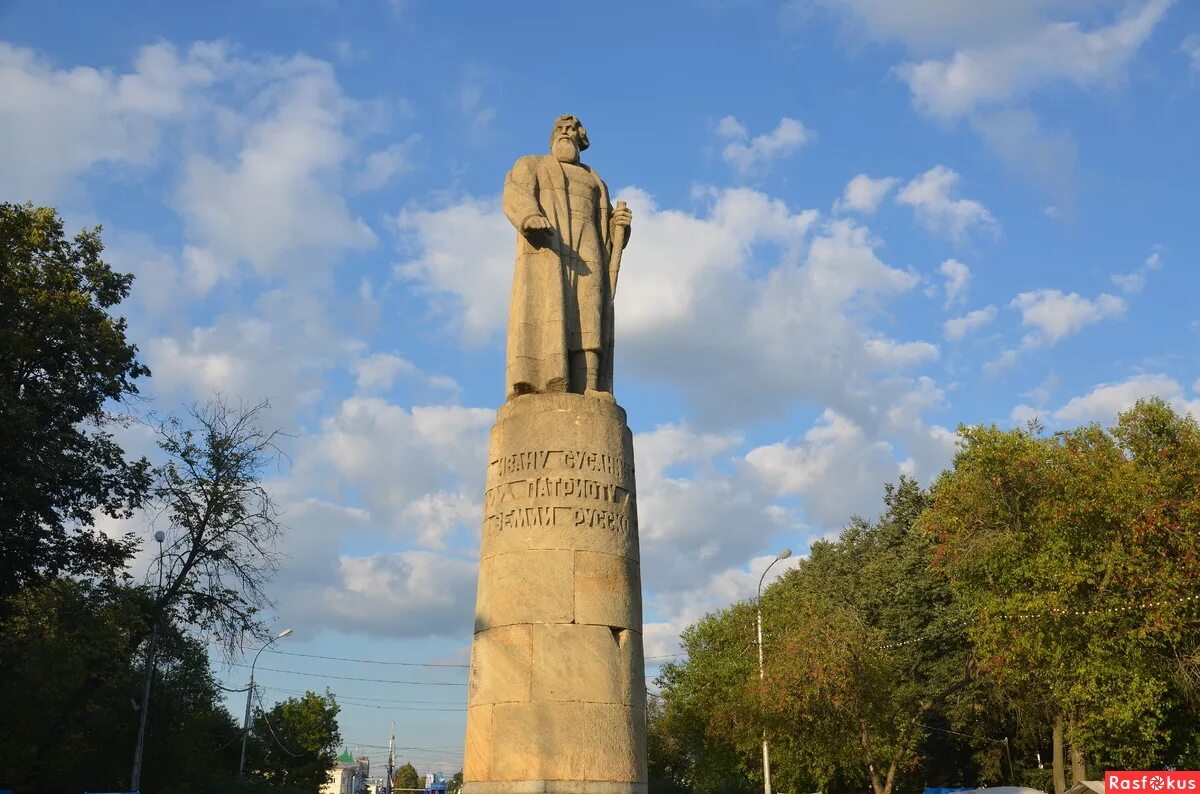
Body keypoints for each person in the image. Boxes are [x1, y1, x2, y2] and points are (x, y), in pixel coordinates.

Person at [501, 114, 632, 400]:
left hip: (589, 252)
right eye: (559, 129)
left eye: (571, 129)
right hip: (549, 249)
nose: (565, 133)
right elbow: (515, 192)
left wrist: (618, 224)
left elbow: (608, 231)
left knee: (590, 315)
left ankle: (590, 386)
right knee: (550, 312)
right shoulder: (532, 164)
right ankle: (541, 384)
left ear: (580, 139)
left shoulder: (595, 180)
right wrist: (529, 215)